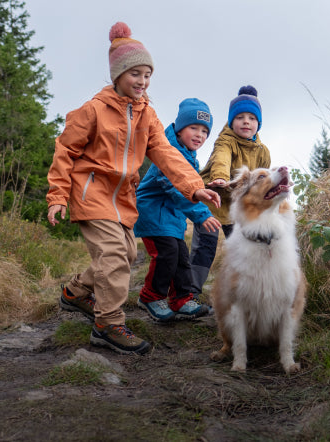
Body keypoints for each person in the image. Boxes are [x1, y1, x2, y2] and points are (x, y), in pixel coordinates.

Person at [46, 22, 220, 356]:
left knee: (124, 255)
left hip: (124, 199)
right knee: (113, 258)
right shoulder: (94, 110)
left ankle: (76, 292)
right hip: (91, 193)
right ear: (118, 74)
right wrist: (57, 196)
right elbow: (65, 150)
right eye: (135, 73)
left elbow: (168, 155)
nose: (142, 81)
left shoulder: (147, 116)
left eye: (147, 74)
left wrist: (194, 189)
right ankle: (107, 324)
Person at [134, 98, 221, 322]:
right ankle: (150, 296)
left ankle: (181, 299)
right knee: (166, 255)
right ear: (180, 128)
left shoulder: (191, 158)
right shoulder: (169, 153)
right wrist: (201, 215)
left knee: (181, 258)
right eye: (193, 128)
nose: (199, 135)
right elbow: (175, 189)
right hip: (154, 215)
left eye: (204, 131)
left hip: (172, 219)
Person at [190, 85, 271, 303]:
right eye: (241, 117)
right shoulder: (226, 140)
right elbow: (221, 158)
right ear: (231, 121)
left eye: (252, 118)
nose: (246, 121)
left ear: (258, 124)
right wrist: (219, 177)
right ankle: (189, 293)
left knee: (244, 249)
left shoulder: (262, 152)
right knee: (205, 249)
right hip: (212, 202)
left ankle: (244, 292)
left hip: (237, 209)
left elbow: (263, 179)